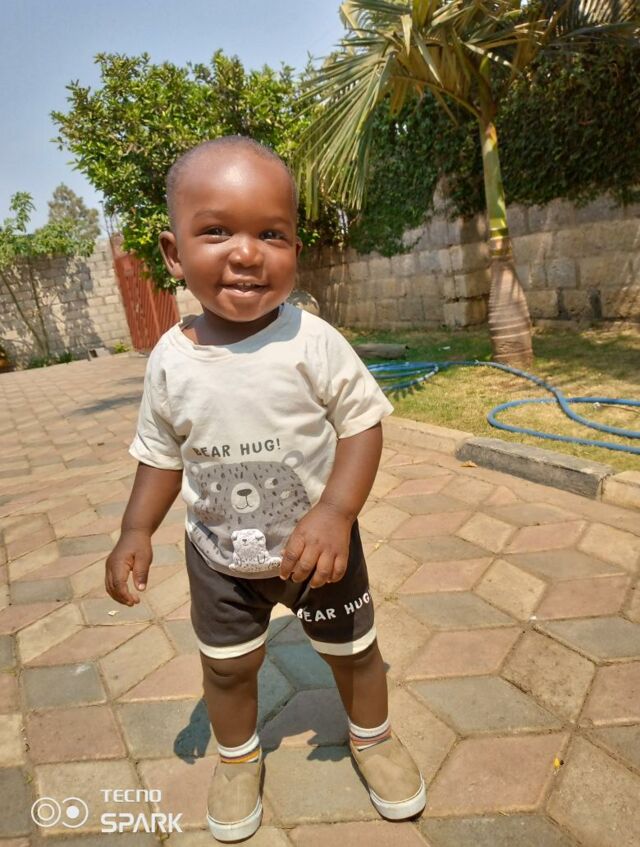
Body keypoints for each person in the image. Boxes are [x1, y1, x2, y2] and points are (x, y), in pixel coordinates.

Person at [105, 136, 426, 842]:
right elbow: (160, 455)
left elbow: (361, 424)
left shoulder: (312, 340)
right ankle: (237, 757)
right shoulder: (170, 361)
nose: (247, 253)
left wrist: (336, 510)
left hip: (320, 553)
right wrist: (135, 529)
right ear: (173, 253)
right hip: (220, 558)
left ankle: (373, 737)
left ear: (295, 250)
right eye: (217, 231)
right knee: (227, 669)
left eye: (271, 234)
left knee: (354, 653)